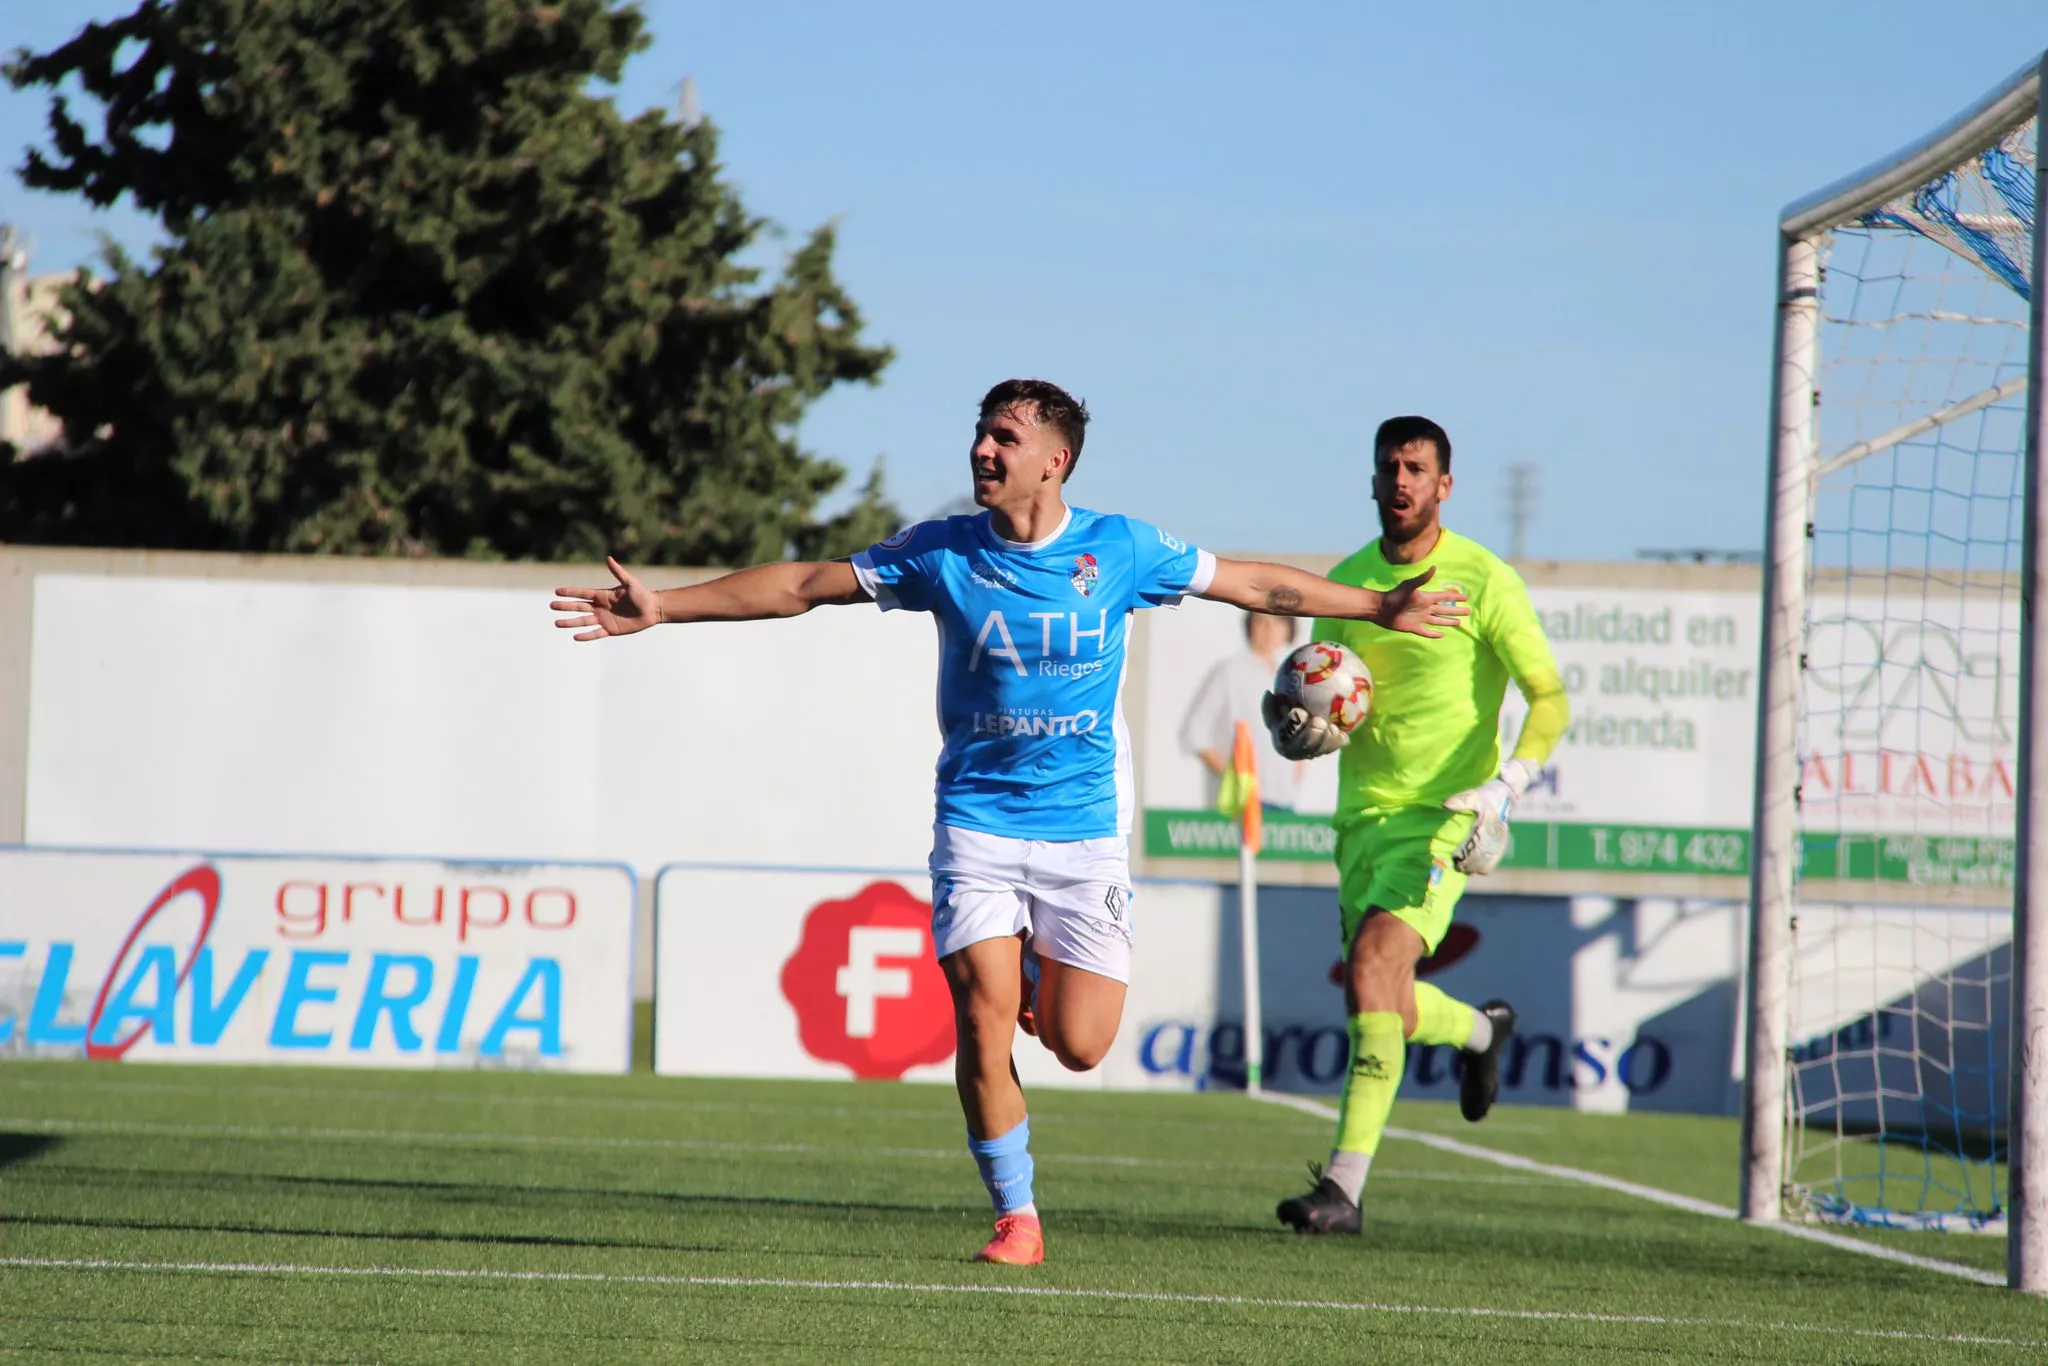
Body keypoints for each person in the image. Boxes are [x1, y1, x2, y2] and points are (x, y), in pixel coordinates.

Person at [552, 379, 1466, 1266]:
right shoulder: (942, 551)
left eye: (1005, 439)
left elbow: (1251, 584)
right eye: (982, 433)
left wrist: (1379, 606)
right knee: (982, 1022)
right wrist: (665, 606)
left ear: (1055, 462)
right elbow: (803, 585)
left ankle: (1035, 970)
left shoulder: (1121, 550)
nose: (983, 450)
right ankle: (1016, 1217)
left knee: (1080, 1044)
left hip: (1085, 833)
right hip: (977, 824)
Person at [1262, 415, 1568, 1236]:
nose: (1401, 480)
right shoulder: (1348, 584)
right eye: (1389, 466)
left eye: (1417, 468)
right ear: (1373, 480)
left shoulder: (1483, 577)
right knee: (1386, 1004)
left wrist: (1505, 788)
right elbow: (1322, 701)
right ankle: (1479, 1032)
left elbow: (1550, 698)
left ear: (1444, 485)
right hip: (1360, 822)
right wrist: (1300, 726)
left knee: (1370, 966)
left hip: (1443, 820)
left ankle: (1343, 1190)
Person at [1179, 612, 1306, 812]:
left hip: (1285, 799)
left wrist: (1298, 767)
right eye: (1262, 621)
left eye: (1277, 622)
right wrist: (1235, 778)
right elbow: (1194, 733)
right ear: (1250, 625)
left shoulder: (1291, 677)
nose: (1269, 629)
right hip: (1242, 802)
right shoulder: (1229, 671)